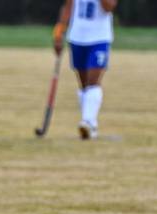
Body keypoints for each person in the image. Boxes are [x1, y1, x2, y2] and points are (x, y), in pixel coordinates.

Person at [53, 0, 117, 139]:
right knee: (83, 85)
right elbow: (68, 7)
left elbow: (109, 7)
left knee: (93, 81)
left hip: (99, 38)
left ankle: (87, 121)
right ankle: (90, 125)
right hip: (77, 37)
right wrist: (59, 31)